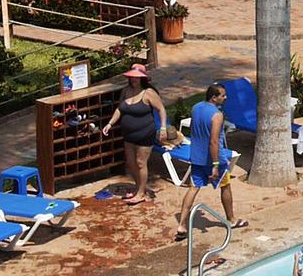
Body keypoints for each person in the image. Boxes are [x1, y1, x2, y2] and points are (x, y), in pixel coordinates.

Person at [174, 84, 247, 241]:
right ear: (214, 97)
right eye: (223, 95)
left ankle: (181, 224)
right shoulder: (217, 115)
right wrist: (215, 165)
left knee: (193, 188)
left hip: (196, 156)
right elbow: (213, 141)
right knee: (225, 186)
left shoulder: (196, 107)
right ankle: (232, 220)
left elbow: (196, 130)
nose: (225, 97)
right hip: (214, 159)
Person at [101, 64, 167, 205]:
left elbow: (161, 109)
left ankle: (141, 193)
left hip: (145, 133)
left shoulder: (148, 93)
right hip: (128, 134)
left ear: (142, 78)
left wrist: (163, 128)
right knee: (131, 163)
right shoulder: (125, 91)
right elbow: (120, 109)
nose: (133, 80)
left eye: (136, 78)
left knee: (140, 163)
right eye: (131, 77)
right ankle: (139, 187)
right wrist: (110, 123)